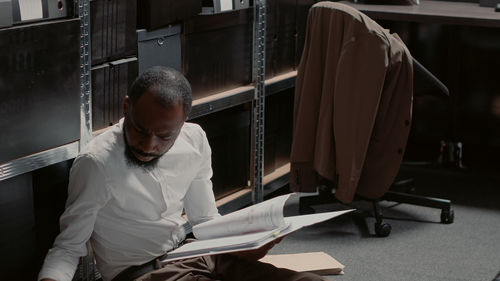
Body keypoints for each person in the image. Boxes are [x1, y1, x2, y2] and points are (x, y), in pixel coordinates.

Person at [38, 66, 326, 281]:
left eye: (164, 136)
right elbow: (67, 247)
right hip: (142, 274)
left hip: (195, 254)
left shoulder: (194, 139)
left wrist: (249, 245)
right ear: (127, 107)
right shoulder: (96, 163)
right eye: (140, 130)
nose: (149, 145)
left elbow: (205, 222)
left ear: (183, 122)